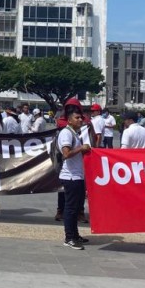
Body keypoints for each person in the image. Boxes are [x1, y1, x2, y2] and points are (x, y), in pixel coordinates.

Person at [58, 107, 92, 250]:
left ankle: (75, 235)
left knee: (76, 207)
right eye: (77, 118)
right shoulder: (66, 133)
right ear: (69, 120)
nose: (80, 120)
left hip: (77, 176)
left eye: (81, 118)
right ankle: (69, 237)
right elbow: (66, 154)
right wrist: (81, 149)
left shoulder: (74, 133)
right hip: (70, 177)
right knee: (70, 208)